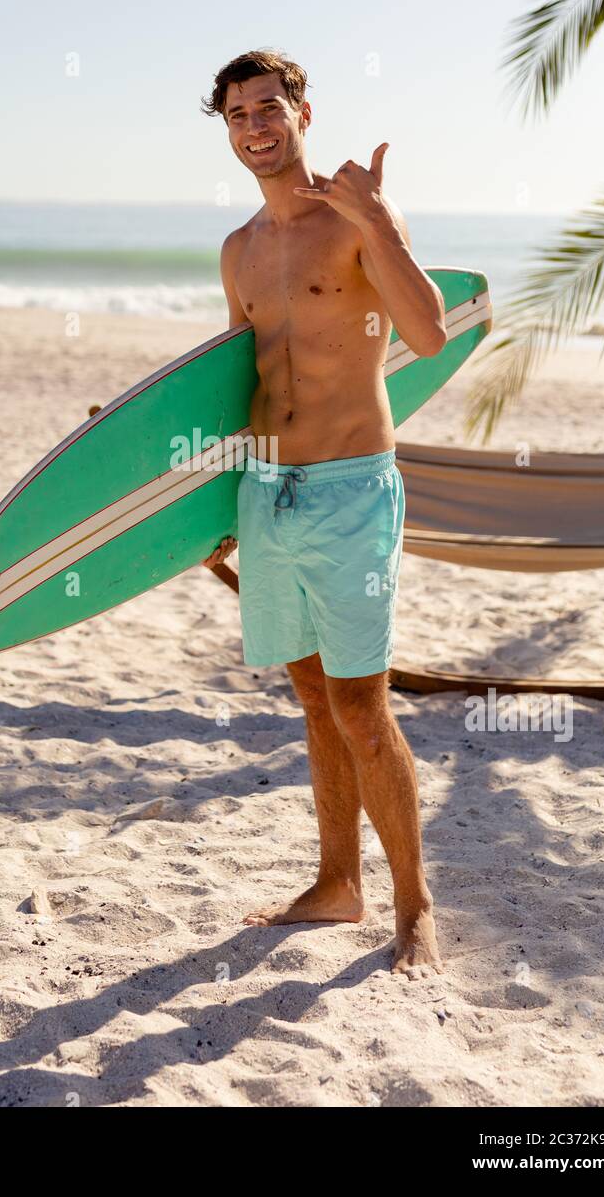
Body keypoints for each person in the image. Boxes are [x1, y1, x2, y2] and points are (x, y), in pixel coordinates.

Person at [201, 50, 446, 975]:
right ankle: (337, 885)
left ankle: (414, 905)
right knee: (312, 696)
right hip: (266, 494)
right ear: (225, 131)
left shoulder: (356, 223)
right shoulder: (238, 251)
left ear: (303, 111)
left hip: (349, 490)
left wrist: (381, 221)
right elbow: (231, 382)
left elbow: (426, 334)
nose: (255, 127)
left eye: (269, 108)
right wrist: (197, 510)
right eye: (237, 116)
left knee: (360, 704)